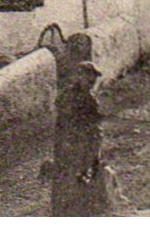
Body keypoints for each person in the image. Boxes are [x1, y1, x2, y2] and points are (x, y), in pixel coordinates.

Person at [51, 54, 109, 216]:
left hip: (69, 142)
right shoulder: (84, 97)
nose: (93, 81)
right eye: (89, 77)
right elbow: (92, 125)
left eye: (93, 78)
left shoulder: (66, 95)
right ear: (79, 76)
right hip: (78, 143)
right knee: (80, 177)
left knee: (68, 179)